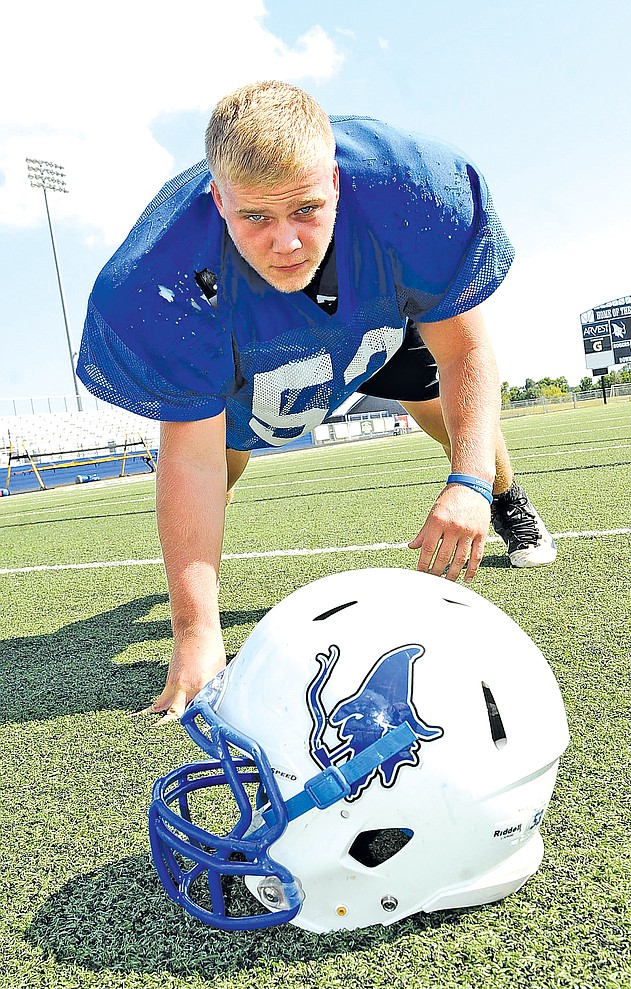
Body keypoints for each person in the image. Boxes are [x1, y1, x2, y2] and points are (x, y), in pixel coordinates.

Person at [77, 81, 556, 723]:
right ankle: (200, 610)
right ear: (217, 199)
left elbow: (465, 355)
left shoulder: (407, 188)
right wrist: (197, 637)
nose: (287, 242)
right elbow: (189, 459)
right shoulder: (164, 274)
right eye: (255, 217)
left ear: (335, 179)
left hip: (375, 311)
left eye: (305, 209)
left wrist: (469, 481)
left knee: (444, 416)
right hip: (250, 334)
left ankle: (509, 500)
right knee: (223, 456)